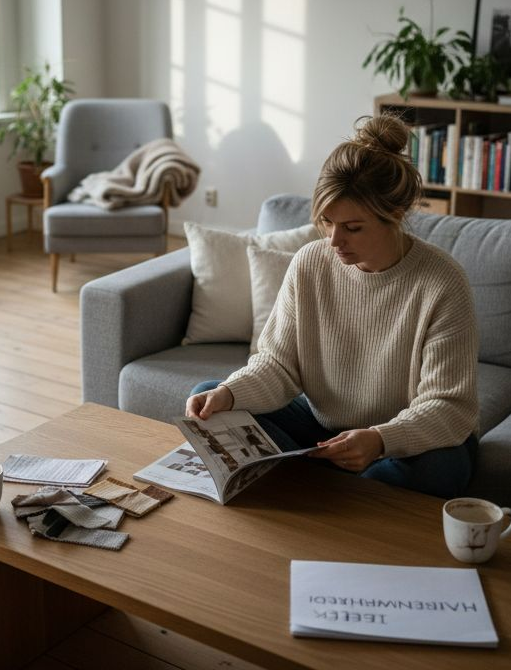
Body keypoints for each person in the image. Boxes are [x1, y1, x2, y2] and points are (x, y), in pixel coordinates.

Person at [184, 114, 480, 499]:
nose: (335, 240)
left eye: (353, 228)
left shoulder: (442, 282)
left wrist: (379, 440)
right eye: (327, 222)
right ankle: (341, 488)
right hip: (323, 427)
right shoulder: (310, 262)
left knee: (439, 468)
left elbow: (449, 407)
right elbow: (276, 366)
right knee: (213, 398)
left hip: (406, 438)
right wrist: (230, 394)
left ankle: (318, 484)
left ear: (394, 215)